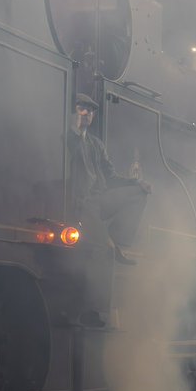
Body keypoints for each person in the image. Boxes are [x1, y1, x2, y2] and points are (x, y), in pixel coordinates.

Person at [67, 93, 151, 264]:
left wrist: (136, 182)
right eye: (81, 108)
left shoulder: (97, 144)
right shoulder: (66, 138)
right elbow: (70, 154)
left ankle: (117, 241)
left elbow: (111, 176)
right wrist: (74, 131)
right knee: (106, 251)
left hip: (100, 200)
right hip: (82, 204)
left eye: (90, 110)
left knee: (138, 193)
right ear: (72, 112)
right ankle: (110, 247)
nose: (86, 113)